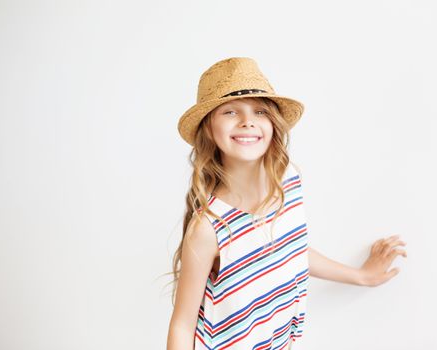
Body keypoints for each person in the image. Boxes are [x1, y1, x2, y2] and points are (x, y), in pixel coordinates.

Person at [166, 57, 407, 350]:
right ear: (208, 129)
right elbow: (182, 325)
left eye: (259, 111)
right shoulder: (208, 229)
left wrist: (361, 276)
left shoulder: (287, 183)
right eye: (230, 111)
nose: (247, 121)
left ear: (272, 123)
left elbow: (288, 249)